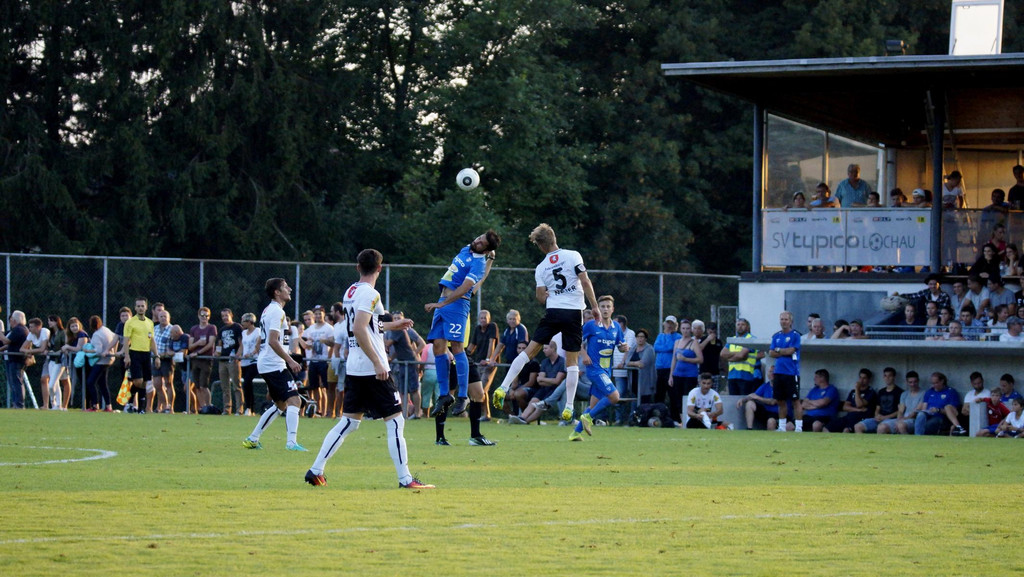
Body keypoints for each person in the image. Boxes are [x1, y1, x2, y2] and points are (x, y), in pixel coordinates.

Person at [304, 250, 433, 489]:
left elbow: (370, 323)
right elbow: (361, 328)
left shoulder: (351, 291)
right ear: (380, 269)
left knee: (349, 422)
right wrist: (376, 361)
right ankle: (405, 479)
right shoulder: (370, 293)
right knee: (395, 422)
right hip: (372, 369)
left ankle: (316, 470)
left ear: (357, 267)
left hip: (355, 367)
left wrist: (394, 324)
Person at [492, 223, 601, 425]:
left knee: (528, 352)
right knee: (571, 363)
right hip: (573, 313)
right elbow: (585, 281)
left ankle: (504, 386)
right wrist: (594, 306)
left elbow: (540, 297)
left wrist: (548, 294)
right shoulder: (573, 255)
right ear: (554, 238)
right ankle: (569, 407)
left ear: (541, 246)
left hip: (553, 312)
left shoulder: (541, 267)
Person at [424, 230, 501, 418]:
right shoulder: (467, 249)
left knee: (458, 348)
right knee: (438, 348)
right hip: (443, 303)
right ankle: (444, 395)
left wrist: (442, 303)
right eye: (479, 237)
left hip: (456, 305)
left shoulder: (478, 264)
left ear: (486, 250)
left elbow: (468, 287)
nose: (477, 241)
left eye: (482, 242)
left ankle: (462, 396)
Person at [243, 278, 307, 452]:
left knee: (280, 405)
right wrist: (290, 360)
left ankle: (253, 438)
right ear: (277, 292)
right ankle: (291, 443)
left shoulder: (270, 310)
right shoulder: (276, 312)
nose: (290, 289)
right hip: (274, 364)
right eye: (286, 287)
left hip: (269, 362)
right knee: (295, 400)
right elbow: (272, 341)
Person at [568, 295, 628, 441]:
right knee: (614, 396)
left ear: (613, 309)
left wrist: (623, 347)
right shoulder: (591, 325)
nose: (605, 309)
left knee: (594, 404)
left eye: (608, 306)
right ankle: (587, 417)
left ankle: (575, 433)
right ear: (598, 309)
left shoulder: (616, 328)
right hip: (594, 369)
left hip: (607, 370)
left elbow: (620, 346)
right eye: (603, 307)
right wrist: (584, 354)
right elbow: (576, 340)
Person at [385, 310, 426, 419]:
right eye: (395, 319)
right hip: (402, 364)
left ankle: (417, 413)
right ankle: (404, 414)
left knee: (414, 389)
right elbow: (397, 350)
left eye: (399, 318)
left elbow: (388, 344)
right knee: (402, 390)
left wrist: (377, 334)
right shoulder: (394, 331)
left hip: (410, 363)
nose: (397, 321)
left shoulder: (399, 330)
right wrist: (390, 358)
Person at [513, 342, 566, 425]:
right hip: (544, 388)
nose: (543, 350)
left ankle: (525, 422)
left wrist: (545, 380)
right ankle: (522, 417)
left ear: (553, 349)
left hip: (556, 390)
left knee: (540, 407)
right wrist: (549, 380)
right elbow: (539, 381)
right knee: (533, 401)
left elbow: (557, 381)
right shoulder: (545, 361)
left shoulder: (562, 362)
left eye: (546, 348)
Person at [123, 297, 159, 414]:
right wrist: (127, 356)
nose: (140, 308)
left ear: (146, 307)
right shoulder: (130, 322)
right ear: (135, 308)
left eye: (142, 306)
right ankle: (129, 403)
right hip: (135, 353)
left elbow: (151, 340)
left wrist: (157, 355)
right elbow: (126, 340)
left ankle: (141, 409)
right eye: (138, 306)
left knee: (145, 382)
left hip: (146, 354)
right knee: (138, 381)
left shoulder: (150, 323)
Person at [770, 311, 803, 432]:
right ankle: (782, 427)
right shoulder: (776, 336)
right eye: (782, 319)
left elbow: (791, 351)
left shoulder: (795, 335)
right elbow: (771, 352)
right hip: (779, 372)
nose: (783, 322)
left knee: (795, 400)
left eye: (786, 319)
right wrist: (782, 351)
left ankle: (799, 427)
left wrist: (779, 350)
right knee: (780, 400)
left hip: (791, 372)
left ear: (791, 321)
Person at [666, 319, 702, 424]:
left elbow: (700, 359)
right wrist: (671, 376)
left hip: (690, 375)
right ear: (680, 329)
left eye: (687, 328)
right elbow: (674, 359)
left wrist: (686, 359)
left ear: (690, 330)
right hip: (677, 374)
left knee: (688, 398)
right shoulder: (677, 342)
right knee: (677, 399)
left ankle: (688, 421)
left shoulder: (694, 342)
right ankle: (682, 421)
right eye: (683, 328)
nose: (685, 331)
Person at [464, 309, 497, 417]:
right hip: (478, 362)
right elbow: (472, 345)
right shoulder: (477, 329)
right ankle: (486, 415)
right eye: (481, 318)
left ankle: (473, 410)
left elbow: (492, 342)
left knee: (481, 389)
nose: (483, 320)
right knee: (482, 390)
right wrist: (464, 355)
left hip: (489, 364)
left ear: (489, 319)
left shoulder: (492, 327)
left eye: (485, 318)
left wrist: (488, 359)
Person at [854, 367, 903, 434]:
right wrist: (877, 416)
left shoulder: (900, 392)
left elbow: (899, 411)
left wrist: (885, 417)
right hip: (879, 418)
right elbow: (878, 408)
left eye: (890, 375)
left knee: (881, 428)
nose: (887, 378)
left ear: (894, 377)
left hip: (892, 420)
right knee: (858, 426)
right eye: (885, 375)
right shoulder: (881, 392)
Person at [913, 372, 964, 436]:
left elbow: (954, 412)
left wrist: (938, 410)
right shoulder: (929, 391)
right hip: (929, 415)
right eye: (933, 383)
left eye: (936, 383)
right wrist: (925, 411)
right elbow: (924, 407)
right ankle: (917, 436)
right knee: (920, 415)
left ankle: (919, 435)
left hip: (940, 417)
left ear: (942, 381)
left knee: (927, 425)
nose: (934, 385)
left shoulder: (951, 392)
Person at [828, 368, 878, 433]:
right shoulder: (852, 392)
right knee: (827, 428)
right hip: (848, 417)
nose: (861, 380)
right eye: (860, 377)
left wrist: (857, 389)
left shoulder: (871, 392)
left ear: (869, 380)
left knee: (846, 430)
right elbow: (845, 407)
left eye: (864, 378)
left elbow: (859, 404)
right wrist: (857, 410)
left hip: (860, 418)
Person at [85, 315, 117, 412]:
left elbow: (98, 350)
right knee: (102, 383)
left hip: (101, 361)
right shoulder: (106, 330)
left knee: (90, 382)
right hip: (109, 359)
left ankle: (95, 405)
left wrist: (87, 350)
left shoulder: (96, 334)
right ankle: (108, 406)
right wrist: (114, 352)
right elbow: (116, 338)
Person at [188, 307, 217, 411]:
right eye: (202, 315)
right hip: (195, 360)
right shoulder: (194, 329)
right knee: (197, 386)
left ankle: (208, 406)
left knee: (204, 385)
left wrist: (198, 352)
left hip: (206, 359)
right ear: (198, 316)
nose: (204, 317)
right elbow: (190, 346)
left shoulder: (211, 328)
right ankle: (202, 407)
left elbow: (210, 344)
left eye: (207, 316)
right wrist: (198, 344)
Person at [217, 308, 244, 416]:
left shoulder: (237, 327)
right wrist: (217, 353)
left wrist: (238, 355)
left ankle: (239, 409)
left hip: (233, 360)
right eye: (222, 316)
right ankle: (227, 409)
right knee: (225, 386)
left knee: (236, 385)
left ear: (231, 315)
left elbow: (242, 342)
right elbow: (219, 344)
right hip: (223, 360)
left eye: (226, 315)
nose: (224, 318)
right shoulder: (222, 330)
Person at [722, 317, 759, 395]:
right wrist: (737, 353)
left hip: (746, 374)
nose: (740, 326)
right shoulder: (732, 339)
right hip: (732, 375)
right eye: (738, 324)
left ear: (747, 327)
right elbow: (722, 354)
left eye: (743, 324)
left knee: (744, 400)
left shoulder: (751, 339)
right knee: (733, 400)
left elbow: (741, 355)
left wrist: (730, 358)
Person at [652, 316, 681, 406]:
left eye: (671, 323)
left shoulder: (677, 336)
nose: (669, 325)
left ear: (675, 325)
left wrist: (668, 335)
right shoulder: (660, 336)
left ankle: (675, 417)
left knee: (672, 393)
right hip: (660, 368)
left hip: (671, 368)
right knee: (659, 393)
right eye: (668, 323)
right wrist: (666, 347)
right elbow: (656, 348)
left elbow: (671, 347)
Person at [799, 368, 839, 432]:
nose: (814, 379)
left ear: (822, 378)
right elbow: (803, 404)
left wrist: (810, 402)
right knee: (791, 425)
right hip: (809, 416)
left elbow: (823, 402)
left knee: (816, 425)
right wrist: (817, 405)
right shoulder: (814, 389)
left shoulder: (831, 389)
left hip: (824, 417)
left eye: (816, 377)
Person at [44, 316, 70, 410]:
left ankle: (54, 402)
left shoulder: (62, 332)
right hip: (51, 360)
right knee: (56, 384)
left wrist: (57, 352)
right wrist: (47, 350)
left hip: (59, 361)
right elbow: (49, 346)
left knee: (51, 384)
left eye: (51, 321)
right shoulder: (51, 333)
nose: (49, 323)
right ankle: (57, 405)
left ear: (57, 322)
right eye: (48, 321)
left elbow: (64, 346)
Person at [625, 328, 656, 406]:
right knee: (634, 401)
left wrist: (632, 363)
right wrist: (635, 363)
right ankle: (633, 417)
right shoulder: (633, 348)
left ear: (645, 338)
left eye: (642, 337)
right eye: (638, 336)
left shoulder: (649, 349)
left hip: (645, 381)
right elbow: (626, 362)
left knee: (644, 403)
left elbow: (642, 364)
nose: (640, 338)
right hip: (633, 380)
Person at [153, 310, 175, 413]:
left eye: (165, 316)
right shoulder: (155, 329)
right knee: (157, 384)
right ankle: (165, 404)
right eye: (161, 316)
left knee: (168, 383)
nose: (163, 318)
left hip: (167, 360)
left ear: (169, 318)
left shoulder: (172, 329)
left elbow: (176, 345)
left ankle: (170, 407)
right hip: (155, 359)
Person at [239, 312, 260, 416]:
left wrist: (251, 354)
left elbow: (258, 346)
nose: (242, 323)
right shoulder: (244, 333)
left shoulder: (258, 331)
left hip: (254, 361)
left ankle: (250, 407)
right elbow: (243, 346)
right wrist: (238, 355)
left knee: (247, 381)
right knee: (247, 385)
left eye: (244, 321)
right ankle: (250, 408)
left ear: (250, 322)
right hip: (244, 362)